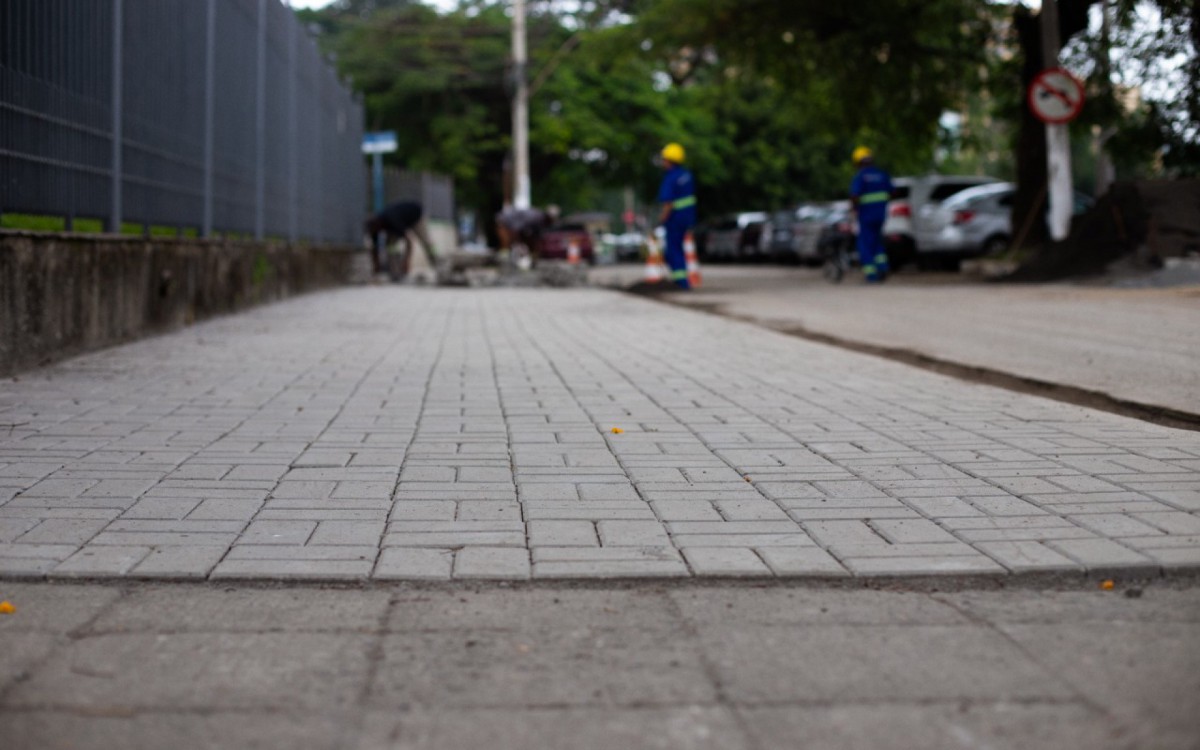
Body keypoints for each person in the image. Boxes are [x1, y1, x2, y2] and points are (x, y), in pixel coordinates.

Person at [848, 146, 894, 283]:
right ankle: (883, 267)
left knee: (865, 244)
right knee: (878, 242)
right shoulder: (882, 174)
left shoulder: (861, 176)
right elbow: (892, 192)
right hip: (880, 215)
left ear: (858, 162)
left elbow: (854, 195)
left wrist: (854, 207)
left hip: (866, 216)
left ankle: (871, 275)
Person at [656, 142, 697, 290]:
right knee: (678, 248)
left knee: (673, 250)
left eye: (664, 159)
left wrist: (661, 219)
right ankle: (681, 280)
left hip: (674, 219)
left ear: (668, 160)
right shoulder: (687, 175)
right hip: (687, 218)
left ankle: (681, 282)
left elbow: (668, 203)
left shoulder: (670, 177)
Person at [364, 200, 436, 278]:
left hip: (416, 216)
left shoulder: (393, 220)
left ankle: (438, 264)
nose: (375, 233)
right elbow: (375, 249)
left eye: (375, 230)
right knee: (390, 246)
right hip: (398, 222)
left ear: (378, 225)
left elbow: (409, 241)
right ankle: (395, 272)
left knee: (427, 243)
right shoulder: (374, 228)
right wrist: (376, 266)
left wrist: (406, 261)